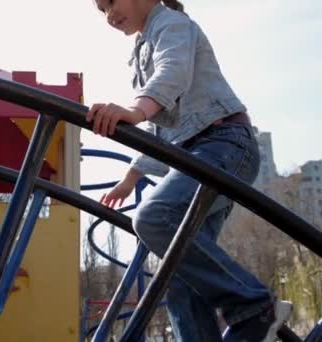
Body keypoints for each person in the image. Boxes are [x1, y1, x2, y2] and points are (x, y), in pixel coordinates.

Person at [86, 0, 292, 341]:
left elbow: (173, 71)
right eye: (101, 9)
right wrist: (132, 177)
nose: (109, 14)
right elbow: (162, 126)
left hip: (223, 144)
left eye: (112, 1)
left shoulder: (172, 24)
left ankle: (254, 305)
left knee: (153, 216)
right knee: (180, 274)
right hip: (195, 156)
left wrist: (136, 110)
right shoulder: (142, 46)